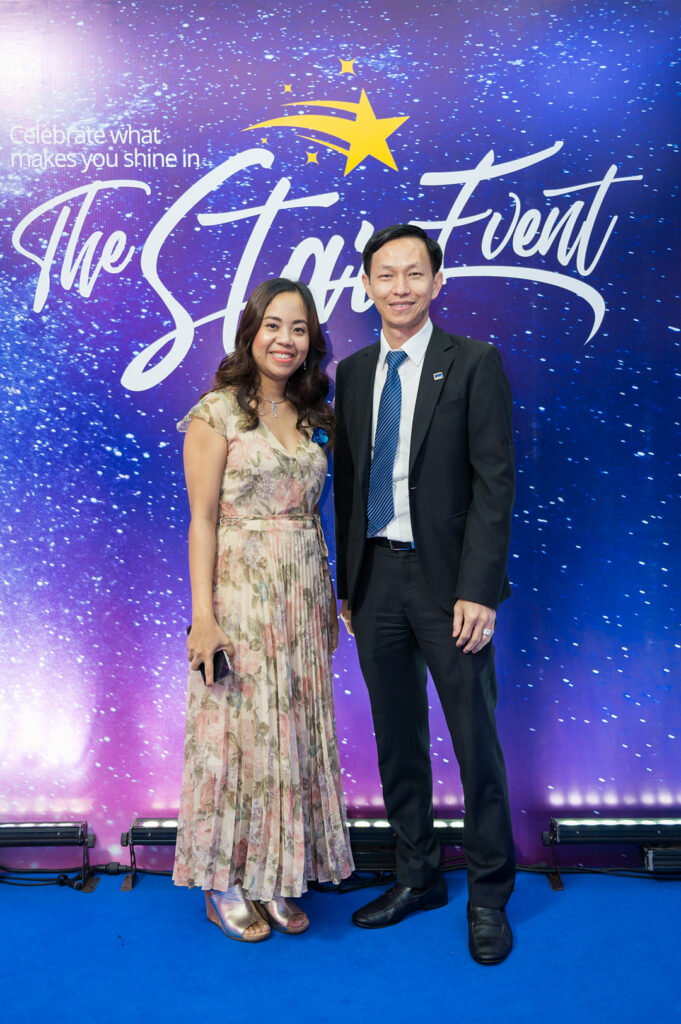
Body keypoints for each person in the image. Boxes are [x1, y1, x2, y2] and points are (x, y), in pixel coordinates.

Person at [333, 224, 515, 964]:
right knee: (397, 738)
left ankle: (488, 895)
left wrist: (479, 590)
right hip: (375, 580)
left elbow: (495, 482)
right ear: (367, 285)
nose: (400, 287)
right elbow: (349, 485)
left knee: (474, 740)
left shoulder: (473, 362)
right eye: (386, 274)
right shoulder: (352, 372)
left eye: (415, 273)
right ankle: (417, 876)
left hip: (450, 588)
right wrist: (348, 587)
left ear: (438, 282)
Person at [172, 278, 354, 942]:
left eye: (299, 328)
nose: (286, 339)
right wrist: (204, 617)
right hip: (240, 597)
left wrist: (329, 601)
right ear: (250, 332)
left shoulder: (312, 416)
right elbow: (201, 521)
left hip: (301, 597)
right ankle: (224, 879)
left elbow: (316, 517)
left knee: (289, 733)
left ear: (312, 342)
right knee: (237, 735)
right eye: (273, 325)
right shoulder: (216, 413)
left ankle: (275, 872)